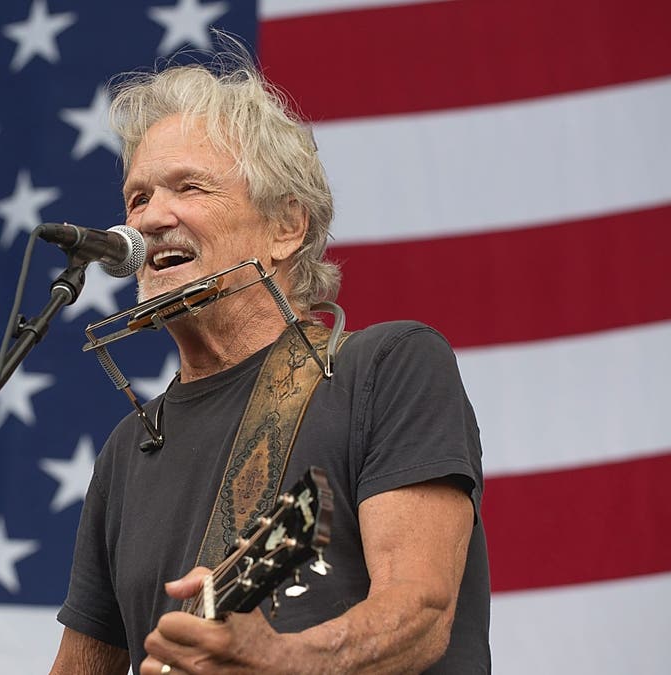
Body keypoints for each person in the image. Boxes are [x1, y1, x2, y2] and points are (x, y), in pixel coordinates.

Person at [48, 47, 490, 675]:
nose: (149, 220)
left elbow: (419, 614)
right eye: (137, 197)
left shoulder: (386, 366)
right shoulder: (127, 451)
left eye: (188, 187)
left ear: (286, 226)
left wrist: (280, 661)